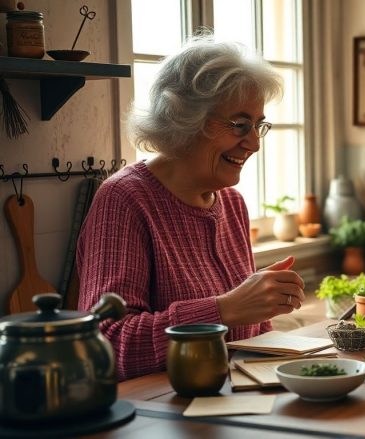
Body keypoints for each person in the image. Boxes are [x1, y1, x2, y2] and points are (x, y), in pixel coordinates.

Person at [77, 35, 305, 381]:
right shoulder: (125, 200)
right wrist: (223, 310)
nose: (254, 143)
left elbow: (251, 337)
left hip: (232, 407)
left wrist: (265, 310)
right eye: (240, 125)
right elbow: (103, 344)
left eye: (258, 125)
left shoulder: (230, 202)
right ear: (185, 118)